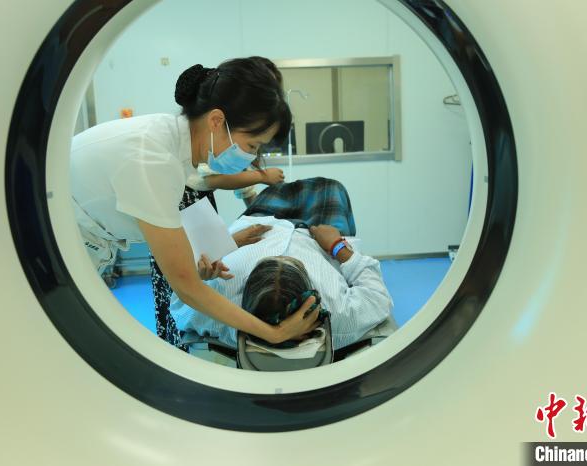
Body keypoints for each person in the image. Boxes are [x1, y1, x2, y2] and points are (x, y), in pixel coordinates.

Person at [70, 56, 319, 345]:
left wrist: (212, 253)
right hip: (54, 245)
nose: (251, 157)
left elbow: (176, 242)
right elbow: (186, 286)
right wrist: (273, 333)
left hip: (78, 248)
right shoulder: (154, 158)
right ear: (216, 121)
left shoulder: (175, 148)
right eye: (252, 145)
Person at [170, 179, 394, 351]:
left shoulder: (222, 312)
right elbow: (377, 296)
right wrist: (337, 246)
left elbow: (180, 303)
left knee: (275, 189)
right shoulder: (339, 316)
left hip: (258, 222)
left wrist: (215, 258)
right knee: (330, 186)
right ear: (311, 297)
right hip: (317, 233)